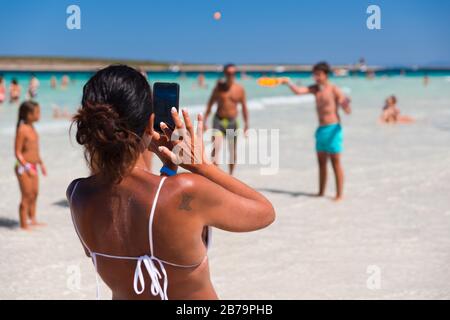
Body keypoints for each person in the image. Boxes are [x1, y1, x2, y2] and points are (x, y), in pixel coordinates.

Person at [68, 65, 275, 300]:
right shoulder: (184, 191)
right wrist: (202, 165)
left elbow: (140, 240)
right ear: (150, 123)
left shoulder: (78, 195)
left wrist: (169, 170)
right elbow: (264, 212)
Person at [280, 62, 352, 201]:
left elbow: (347, 110)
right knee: (321, 164)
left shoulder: (334, 89)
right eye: (314, 74)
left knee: (335, 163)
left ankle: (339, 195)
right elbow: (298, 91)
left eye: (318, 74)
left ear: (326, 75)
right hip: (321, 130)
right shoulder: (315, 89)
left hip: (333, 129)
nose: (316, 77)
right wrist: (288, 82)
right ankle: (320, 192)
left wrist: (345, 105)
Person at [204, 64, 249, 175]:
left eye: (233, 73)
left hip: (232, 122)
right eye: (228, 73)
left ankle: (230, 176)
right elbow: (210, 104)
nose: (231, 75)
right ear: (225, 73)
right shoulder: (219, 88)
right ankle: (215, 177)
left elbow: (244, 107)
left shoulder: (239, 89)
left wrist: (247, 124)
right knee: (216, 149)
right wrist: (204, 121)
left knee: (232, 152)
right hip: (218, 121)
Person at [15, 101, 47, 230]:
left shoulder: (32, 128)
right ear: (28, 114)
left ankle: (32, 219)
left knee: (35, 193)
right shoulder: (22, 129)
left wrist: (41, 163)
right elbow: (17, 152)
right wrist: (27, 167)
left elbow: (33, 149)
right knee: (26, 195)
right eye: (37, 112)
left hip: (34, 165)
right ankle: (23, 225)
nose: (39, 115)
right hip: (23, 167)